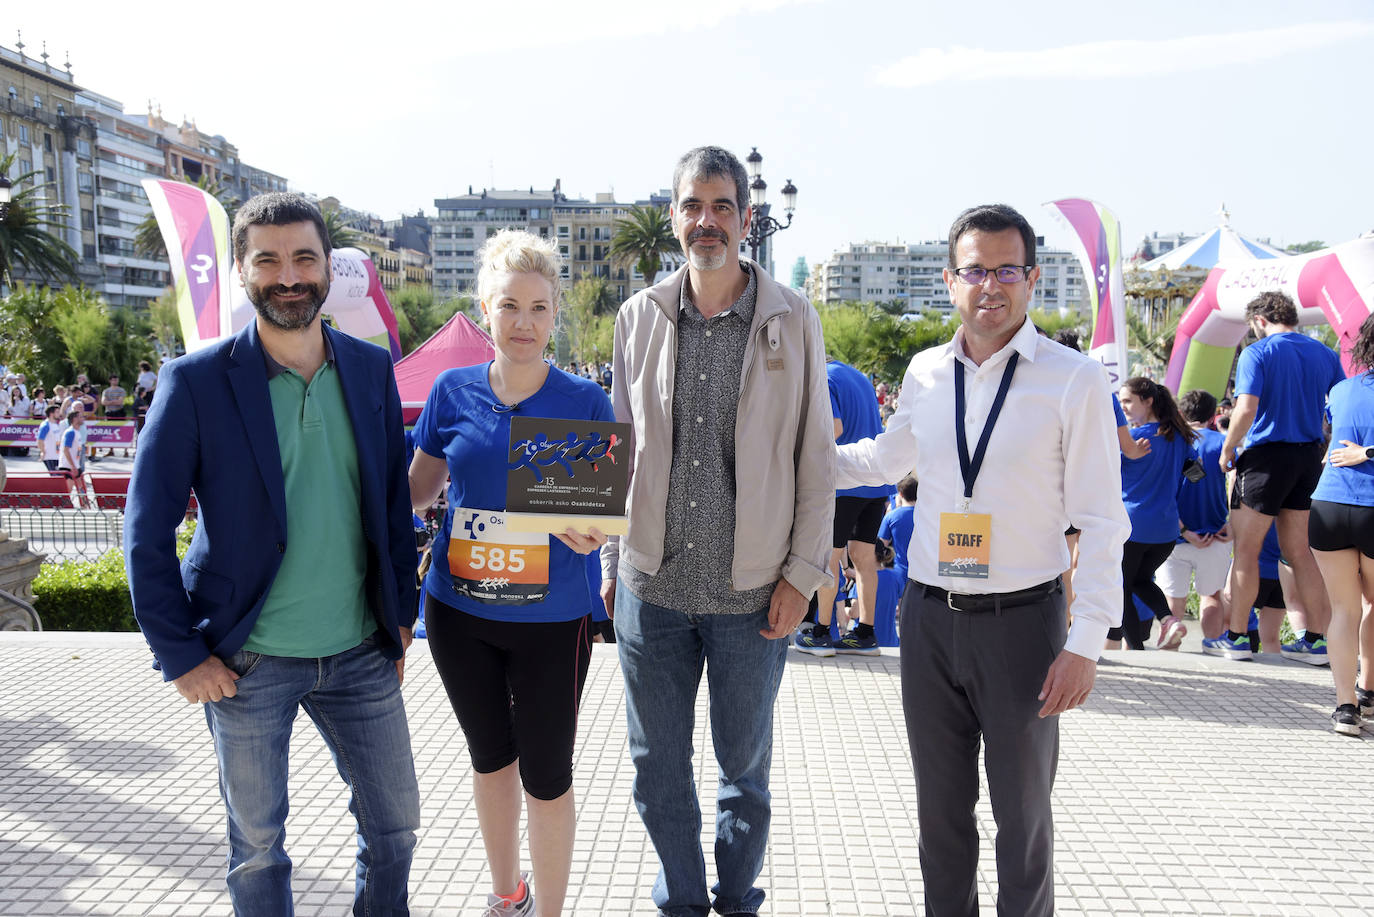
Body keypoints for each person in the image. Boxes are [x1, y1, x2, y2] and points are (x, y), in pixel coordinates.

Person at [123, 192, 421, 915]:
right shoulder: (193, 383)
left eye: (304, 258)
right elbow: (145, 525)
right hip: (245, 661)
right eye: (268, 260)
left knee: (398, 826)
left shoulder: (368, 367)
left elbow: (389, 498)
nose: (289, 276)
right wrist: (182, 653)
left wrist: (400, 614)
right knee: (257, 848)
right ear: (241, 271)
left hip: (359, 651)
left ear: (327, 267)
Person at [834, 203, 1129, 916]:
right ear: (949, 279)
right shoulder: (926, 372)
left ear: (1031, 279)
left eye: (1006, 270)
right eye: (974, 270)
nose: (989, 285)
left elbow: (1100, 519)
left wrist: (1085, 642)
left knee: (1023, 823)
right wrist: (790, 456)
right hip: (929, 622)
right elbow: (883, 457)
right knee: (941, 822)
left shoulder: (1073, 378)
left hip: (1024, 626)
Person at [601, 145, 834, 917]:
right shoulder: (639, 317)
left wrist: (803, 574)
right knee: (656, 765)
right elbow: (618, 442)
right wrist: (610, 553)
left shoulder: (792, 318)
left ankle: (736, 901)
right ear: (674, 216)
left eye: (723, 206)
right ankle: (682, 900)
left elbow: (815, 454)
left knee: (745, 770)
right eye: (693, 205)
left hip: (754, 595)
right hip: (652, 589)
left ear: (745, 217)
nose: (708, 221)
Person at [408, 229, 611, 917]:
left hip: (552, 621)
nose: (523, 322)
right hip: (459, 614)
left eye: (538, 307)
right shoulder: (450, 390)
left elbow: (599, 525)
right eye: (508, 305)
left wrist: (570, 518)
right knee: (490, 757)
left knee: (547, 775)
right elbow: (417, 489)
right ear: (484, 309)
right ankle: (507, 895)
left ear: (555, 313)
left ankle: (550, 912)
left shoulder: (585, 401)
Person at [1213, 291, 1344, 661]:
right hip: (1308, 456)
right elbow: (1337, 406)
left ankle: (1237, 638)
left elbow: (1246, 408)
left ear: (1258, 321)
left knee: (1247, 551)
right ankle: (1316, 640)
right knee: (1300, 553)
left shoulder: (1258, 352)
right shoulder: (1325, 354)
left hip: (1265, 459)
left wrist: (1227, 449)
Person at [795, 356, 894, 656]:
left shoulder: (823, 378)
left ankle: (822, 633)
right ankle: (865, 633)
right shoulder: (860, 376)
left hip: (845, 480)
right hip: (876, 480)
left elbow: (834, 428)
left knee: (829, 558)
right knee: (864, 558)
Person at [1305, 312, 1374, 733]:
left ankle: (1346, 706)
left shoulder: (1343, 388)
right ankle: (1368, 688)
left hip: (1328, 504)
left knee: (1345, 610)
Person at [1109, 377, 1198, 650]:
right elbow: (1196, 475)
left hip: (1132, 525)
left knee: (1121, 588)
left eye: (1127, 401)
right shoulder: (1179, 438)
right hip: (1166, 530)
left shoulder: (1132, 440)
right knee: (1140, 581)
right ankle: (1168, 620)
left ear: (1147, 402)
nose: (1122, 407)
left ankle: (1136, 649)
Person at [1159, 390, 1232, 642]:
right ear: (1213, 416)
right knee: (1211, 596)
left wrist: (1183, 530)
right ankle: (1212, 647)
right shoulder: (1223, 443)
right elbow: (1235, 479)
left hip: (1172, 534)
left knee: (1172, 600)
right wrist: (1231, 522)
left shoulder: (1170, 442)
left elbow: (1163, 491)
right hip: (1216, 532)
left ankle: (1170, 653)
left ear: (1181, 412)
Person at [56, 408, 90, 508]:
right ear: (74, 419)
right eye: (80, 417)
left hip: (75, 465)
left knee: (81, 487)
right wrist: (72, 466)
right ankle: (63, 507)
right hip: (68, 466)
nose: (83, 418)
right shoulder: (70, 432)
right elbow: (66, 450)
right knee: (68, 490)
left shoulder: (77, 432)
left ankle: (85, 506)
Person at [35, 403, 63, 472]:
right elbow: (40, 440)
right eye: (57, 412)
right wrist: (43, 452)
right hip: (50, 456)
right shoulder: (46, 425)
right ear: (51, 413)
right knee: (55, 477)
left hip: (57, 456)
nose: (59, 414)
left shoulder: (56, 424)